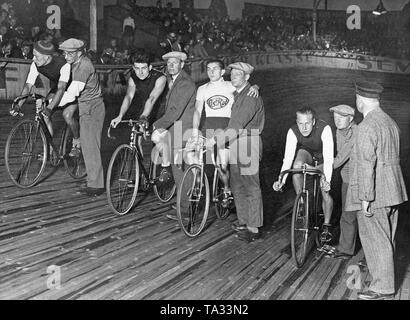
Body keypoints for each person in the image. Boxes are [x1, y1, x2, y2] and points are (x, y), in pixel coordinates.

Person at [346, 81, 408, 300]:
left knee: (375, 239)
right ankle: (384, 281)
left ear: (360, 100)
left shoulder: (366, 126)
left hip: (376, 193)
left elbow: (365, 164)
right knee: (386, 239)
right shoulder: (390, 122)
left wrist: (365, 198)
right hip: (394, 190)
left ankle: (382, 288)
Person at [205, 62, 265, 242]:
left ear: (247, 77)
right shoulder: (240, 94)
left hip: (248, 143)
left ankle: (254, 228)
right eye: (232, 74)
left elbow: (236, 126)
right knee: (237, 183)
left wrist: (214, 140)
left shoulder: (249, 98)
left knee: (250, 185)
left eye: (238, 74)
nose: (233, 77)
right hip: (237, 143)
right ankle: (244, 221)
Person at [190, 59, 259, 203]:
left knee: (221, 165)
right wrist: (195, 130)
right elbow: (197, 110)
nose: (211, 71)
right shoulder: (202, 88)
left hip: (225, 128)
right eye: (209, 68)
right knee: (193, 155)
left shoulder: (230, 86)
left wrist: (256, 87)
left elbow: (245, 89)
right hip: (208, 126)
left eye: (215, 68)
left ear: (222, 72)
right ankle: (197, 184)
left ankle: (227, 189)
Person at [272, 106, 334, 243]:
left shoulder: (325, 129)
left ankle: (327, 225)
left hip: (323, 159)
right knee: (296, 166)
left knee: (325, 192)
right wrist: (281, 179)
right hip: (308, 153)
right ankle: (301, 201)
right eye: (300, 123)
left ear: (313, 122)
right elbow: (287, 158)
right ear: (296, 121)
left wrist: (326, 181)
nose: (304, 128)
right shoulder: (292, 131)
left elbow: (329, 159)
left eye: (307, 123)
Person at [57, 38, 106, 197]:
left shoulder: (84, 66)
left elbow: (72, 94)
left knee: (91, 146)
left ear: (79, 52)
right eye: (64, 53)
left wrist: (51, 104)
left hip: (93, 107)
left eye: (70, 53)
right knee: (87, 146)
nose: (66, 56)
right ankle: (93, 180)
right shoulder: (76, 63)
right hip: (87, 106)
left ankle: (96, 185)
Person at [151, 51, 196, 219]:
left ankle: (185, 209)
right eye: (168, 63)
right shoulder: (174, 80)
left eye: (174, 63)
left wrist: (155, 125)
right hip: (175, 129)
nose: (171, 66)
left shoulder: (185, 83)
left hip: (182, 130)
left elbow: (175, 112)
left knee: (180, 170)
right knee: (179, 168)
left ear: (182, 64)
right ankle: (184, 201)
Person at [15, 40, 80, 157]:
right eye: (33, 55)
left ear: (46, 57)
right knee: (44, 115)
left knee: (67, 116)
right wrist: (18, 104)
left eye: (36, 56)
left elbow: (62, 89)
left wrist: (50, 107)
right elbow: (28, 85)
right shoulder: (35, 64)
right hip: (58, 87)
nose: (33, 59)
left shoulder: (63, 64)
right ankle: (49, 149)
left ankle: (77, 142)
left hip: (73, 88)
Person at [324, 104, 358, 259]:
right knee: (347, 214)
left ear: (350, 119)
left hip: (357, 179)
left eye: (341, 118)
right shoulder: (339, 131)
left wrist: (320, 166)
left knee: (349, 215)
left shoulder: (356, 132)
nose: (337, 121)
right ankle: (347, 248)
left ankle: (346, 249)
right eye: (335, 118)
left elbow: (340, 159)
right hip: (347, 178)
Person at [110, 52, 166, 130]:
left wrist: (143, 116)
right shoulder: (133, 78)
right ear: (133, 68)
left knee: (158, 137)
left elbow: (152, 98)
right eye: (137, 68)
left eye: (143, 68)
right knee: (137, 134)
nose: (140, 72)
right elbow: (128, 97)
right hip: (147, 109)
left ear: (150, 67)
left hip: (164, 110)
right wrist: (120, 116)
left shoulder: (160, 78)